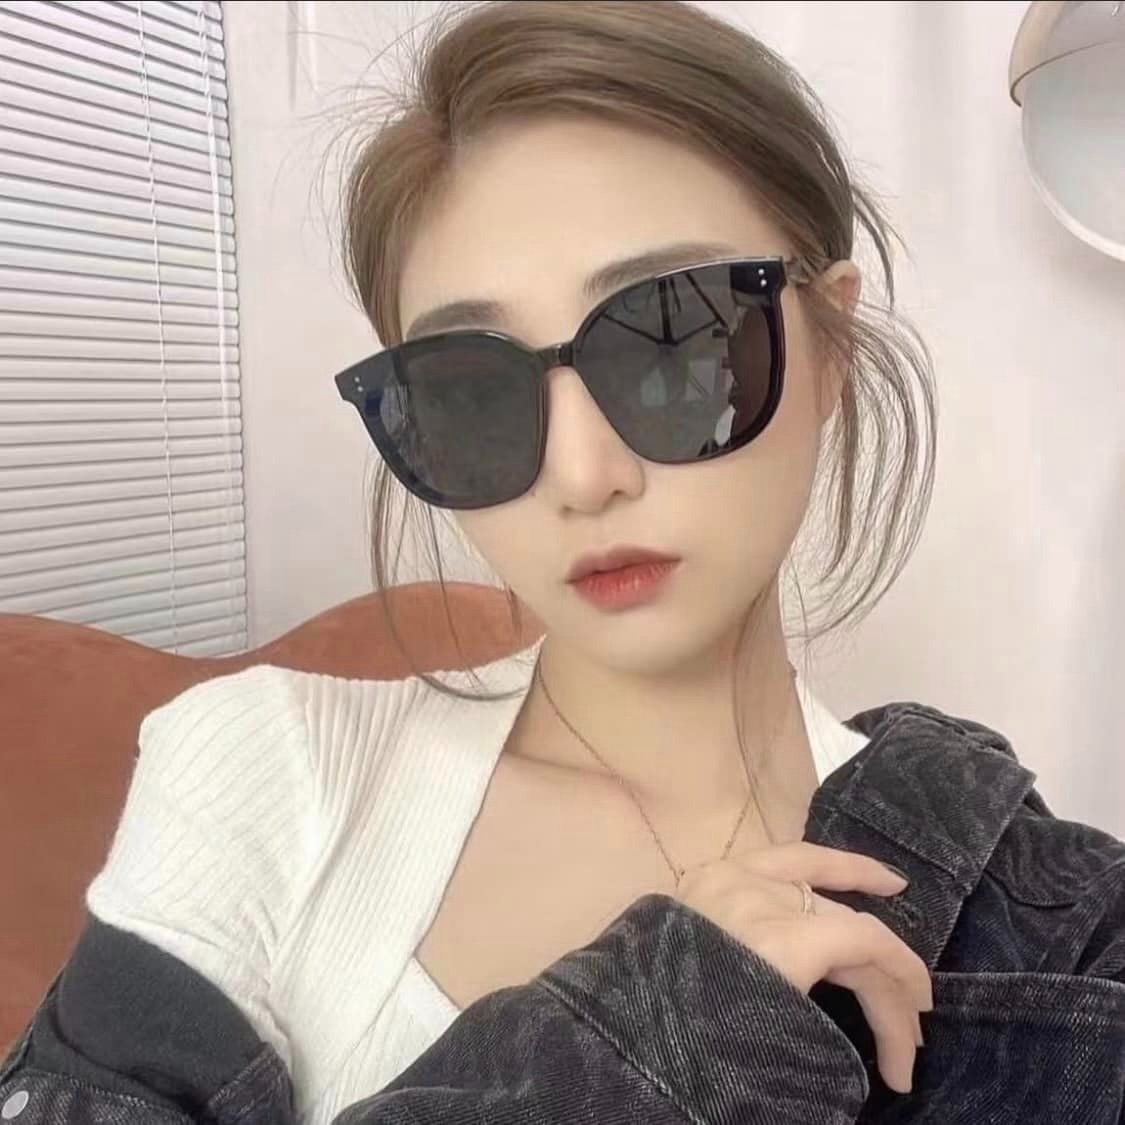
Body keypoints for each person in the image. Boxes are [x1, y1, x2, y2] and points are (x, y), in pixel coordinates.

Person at [2, 2, 1123, 1123]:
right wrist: (653, 1037)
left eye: (675, 339)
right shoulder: (264, 770)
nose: (582, 475)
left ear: (828, 346)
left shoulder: (1037, 913)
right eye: (472, 389)